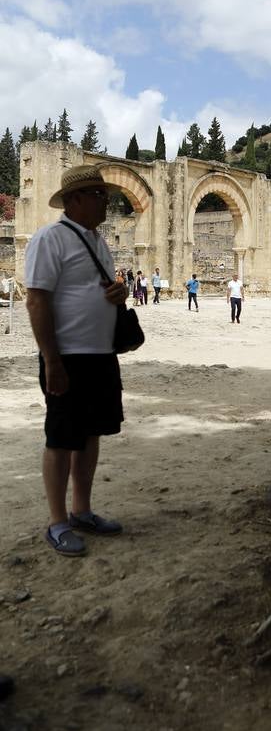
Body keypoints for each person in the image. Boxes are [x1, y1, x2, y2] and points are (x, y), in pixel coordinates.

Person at [25, 164, 128, 557]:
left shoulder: (98, 241)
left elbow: (91, 288)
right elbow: (36, 299)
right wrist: (51, 361)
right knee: (61, 438)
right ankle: (57, 522)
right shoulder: (50, 238)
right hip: (66, 355)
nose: (107, 201)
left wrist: (117, 293)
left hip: (101, 355)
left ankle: (82, 509)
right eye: (100, 195)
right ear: (75, 200)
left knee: (90, 435)